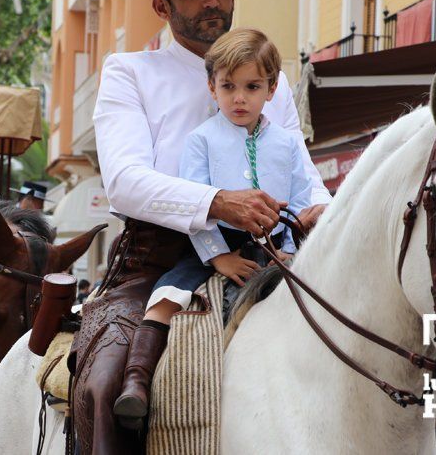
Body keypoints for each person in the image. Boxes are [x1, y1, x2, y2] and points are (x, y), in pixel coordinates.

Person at [71, 0, 332, 454]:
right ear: (161, 5)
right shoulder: (128, 73)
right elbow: (123, 183)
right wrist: (217, 202)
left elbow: (302, 173)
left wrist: (325, 213)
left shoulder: (264, 72)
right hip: (156, 261)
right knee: (101, 383)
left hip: (271, 254)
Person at [113, 28, 312, 423]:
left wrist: (290, 247)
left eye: (252, 86)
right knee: (168, 297)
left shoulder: (288, 143)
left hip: (275, 249)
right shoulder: (200, 140)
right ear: (212, 87)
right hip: (209, 248)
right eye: (228, 86)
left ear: (272, 89)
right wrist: (219, 257)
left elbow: (301, 197)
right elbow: (197, 202)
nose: (239, 97)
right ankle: (136, 382)